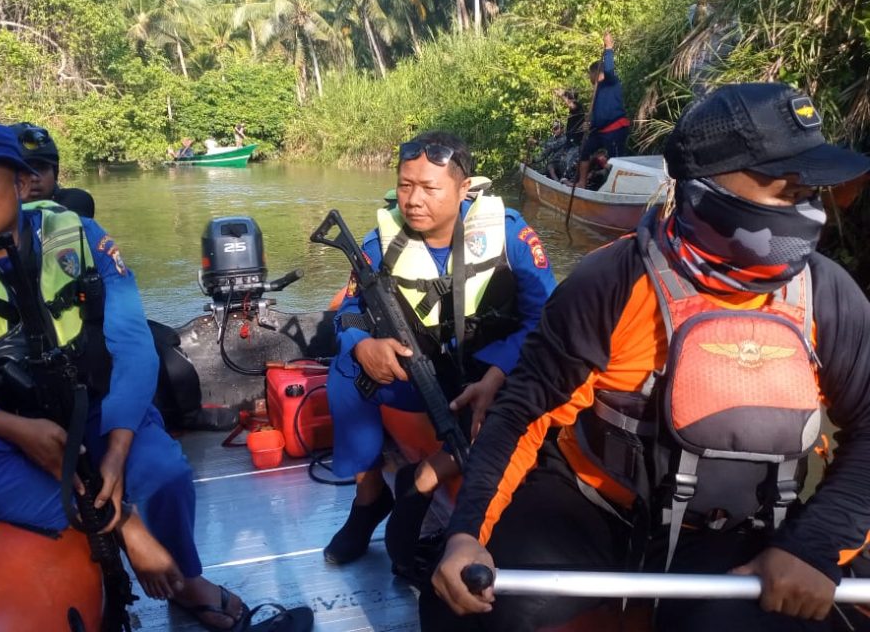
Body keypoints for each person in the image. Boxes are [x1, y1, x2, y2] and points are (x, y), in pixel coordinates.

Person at [425, 83, 870, 632]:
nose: (804, 209)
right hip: (592, 508)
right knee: (467, 609)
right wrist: (467, 533)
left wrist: (814, 545)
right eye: (785, 188)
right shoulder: (610, 282)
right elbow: (522, 412)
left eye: (809, 192)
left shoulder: (829, 295)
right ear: (705, 187)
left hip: (741, 529)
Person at [0, 120, 312, 632]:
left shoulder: (83, 239)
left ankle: (187, 583)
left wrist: (121, 444)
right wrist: (16, 430)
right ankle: (124, 531)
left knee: (167, 472)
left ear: (20, 184)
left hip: (91, 412)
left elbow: (131, 346)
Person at [323, 131, 557, 581]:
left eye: (430, 188)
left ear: (463, 189)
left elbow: (547, 318)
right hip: (421, 372)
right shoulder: (379, 244)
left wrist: (499, 373)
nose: (413, 200)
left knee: (545, 396)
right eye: (406, 185)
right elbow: (349, 312)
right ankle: (369, 498)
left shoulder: (509, 235)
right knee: (345, 372)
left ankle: (427, 478)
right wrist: (363, 345)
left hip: (492, 375)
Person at [576, 31, 630, 188]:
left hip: (615, 129)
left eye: (589, 75)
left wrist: (608, 47)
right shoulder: (597, 91)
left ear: (595, 73)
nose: (589, 79)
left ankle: (619, 188)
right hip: (599, 131)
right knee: (585, 150)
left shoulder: (611, 82)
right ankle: (582, 181)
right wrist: (589, 125)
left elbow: (608, 69)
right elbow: (599, 114)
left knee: (617, 160)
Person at [9, 122, 96, 218]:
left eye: (42, 168)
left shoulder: (74, 204)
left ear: (55, 173)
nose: (34, 177)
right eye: (23, 169)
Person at [686, 0, 741, 99]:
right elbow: (699, 22)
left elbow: (738, 40)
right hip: (703, 69)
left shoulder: (733, 13)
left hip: (725, 68)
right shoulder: (697, 9)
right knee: (704, 106)